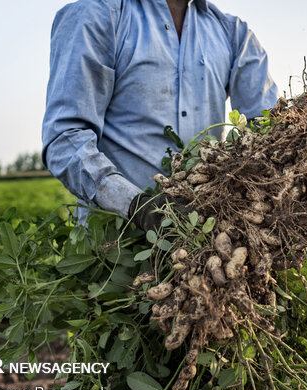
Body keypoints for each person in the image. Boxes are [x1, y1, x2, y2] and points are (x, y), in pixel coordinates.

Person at [42, 0, 278, 226]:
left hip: (203, 242)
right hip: (115, 247)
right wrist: (137, 206)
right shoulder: (98, 15)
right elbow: (65, 139)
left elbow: (269, 133)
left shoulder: (234, 35)